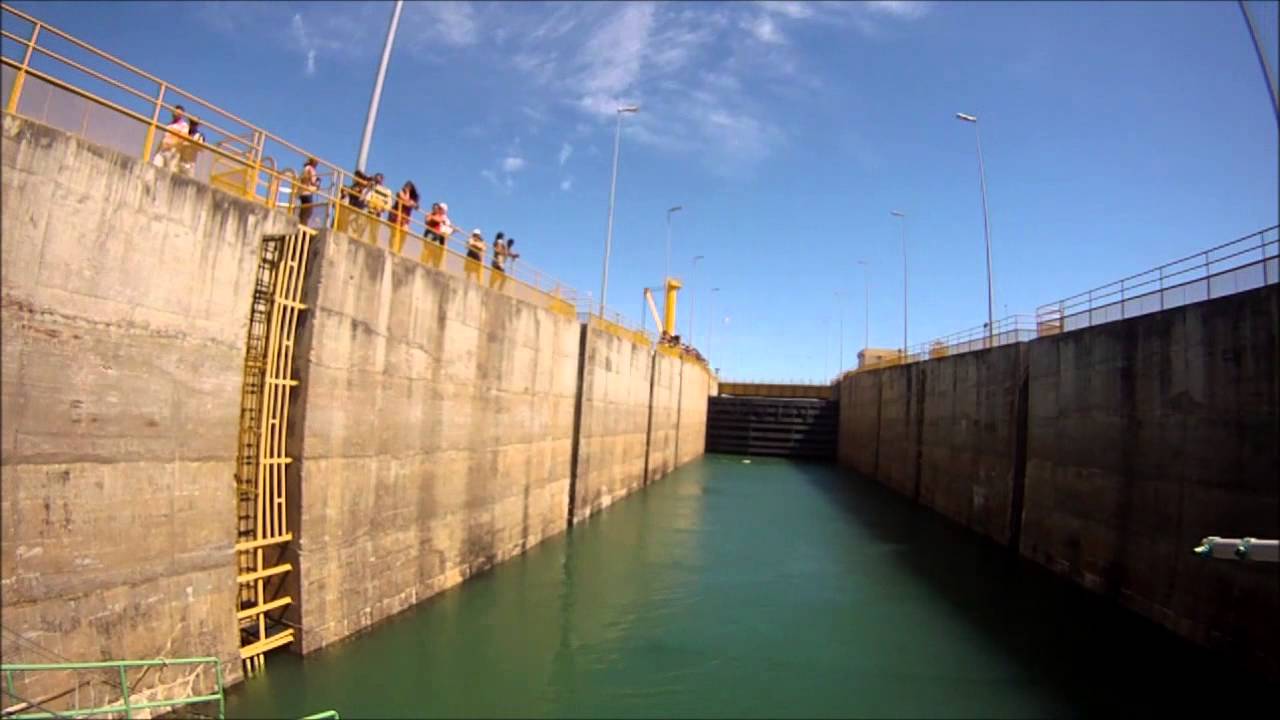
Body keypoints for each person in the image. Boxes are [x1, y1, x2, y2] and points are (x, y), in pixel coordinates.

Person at [151, 105, 188, 171]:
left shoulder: (184, 125)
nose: (175, 114)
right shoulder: (169, 125)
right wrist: (157, 150)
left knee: (170, 171)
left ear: (181, 115)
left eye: (178, 113)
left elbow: (183, 139)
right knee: (154, 167)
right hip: (162, 150)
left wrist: (172, 144)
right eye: (175, 112)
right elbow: (163, 139)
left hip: (173, 152)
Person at [389, 181, 419, 255]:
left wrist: (410, 202)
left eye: (409, 187)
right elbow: (405, 201)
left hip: (405, 218)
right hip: (396, 215)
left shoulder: (413, 197)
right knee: (394, 233)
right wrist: (407, 193)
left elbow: (415, 206)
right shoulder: (400, 192)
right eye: (406, 186)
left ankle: (398, 250)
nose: (407, 188)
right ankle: (391, 249)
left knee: (404, 234)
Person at [421, 202, 452, 267]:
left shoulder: (440, 216)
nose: (435, 209)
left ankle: (433, 265)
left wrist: (432, 218)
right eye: (434, 208)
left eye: (437, 208)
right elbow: (427, 221)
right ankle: (424, 263)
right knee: (427, 249)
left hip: (436, 235)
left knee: (435, 251)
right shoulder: (431, 214)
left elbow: (439, 220)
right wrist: (433, 218)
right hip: (429, 233)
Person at [298, 157, 320, 227]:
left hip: (301, 192)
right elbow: (313, 181)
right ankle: (303, 226)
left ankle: (300, 224)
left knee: (303, 210)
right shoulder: (311, 169)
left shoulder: (305, 169)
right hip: (307, 192)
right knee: (308, 211)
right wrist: (317, 184)